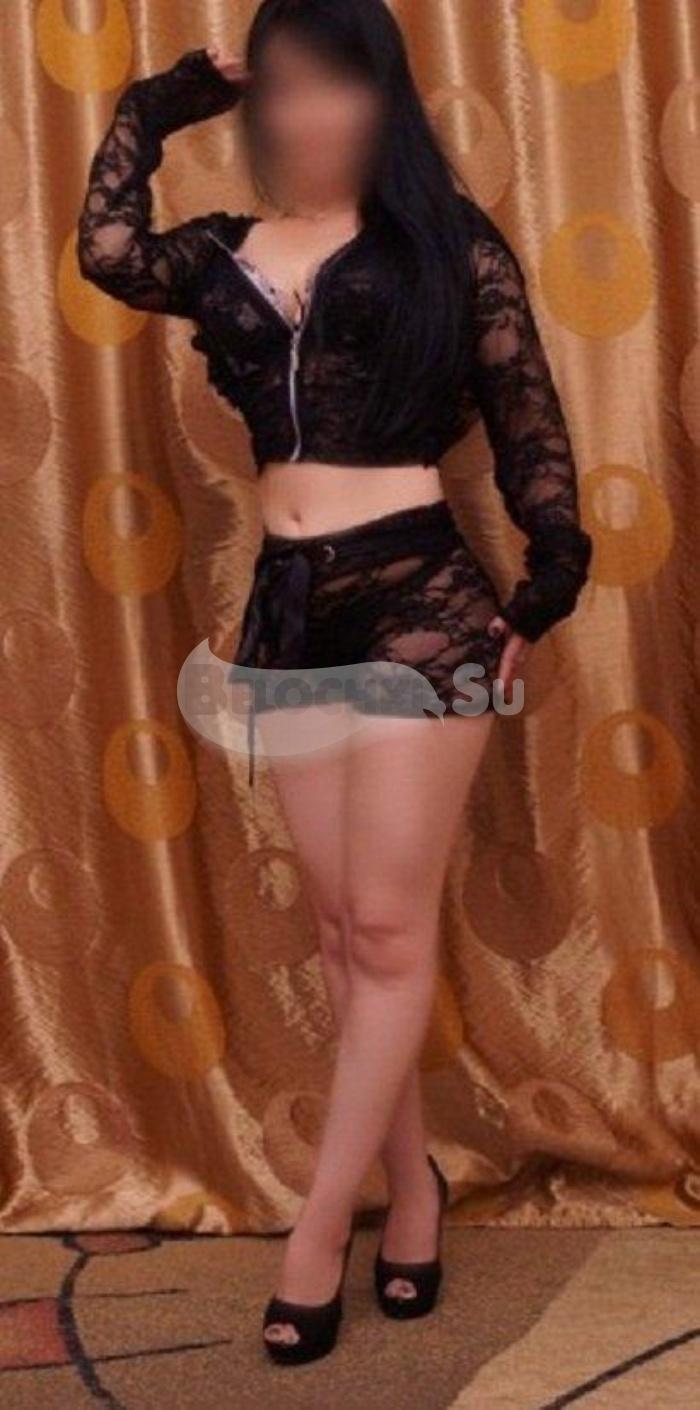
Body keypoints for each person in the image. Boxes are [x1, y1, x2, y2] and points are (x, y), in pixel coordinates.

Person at [77, 0, 593, 1366]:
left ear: (385, 95)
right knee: (342, 930)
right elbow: (109, 250)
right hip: (290, 611)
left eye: (337, 84)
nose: (310, 113)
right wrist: (162, 100)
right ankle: (412, 1190)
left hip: (422, 598)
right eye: (287, 87)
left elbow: (528, 413)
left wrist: (546, 581)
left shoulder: (446, 244)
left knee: (385, 924)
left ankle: (320, 1231)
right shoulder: (227, 253)